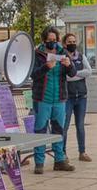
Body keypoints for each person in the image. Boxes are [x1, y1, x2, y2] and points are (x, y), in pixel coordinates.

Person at [30, 27, 76, 174]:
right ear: (44, 40)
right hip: (42, 99)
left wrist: (69, 65)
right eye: (50, 40)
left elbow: (73, 73)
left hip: (59, 99)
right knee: (40, 130)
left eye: (55, 40)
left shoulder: (63, 52)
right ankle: (39, 162)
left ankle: (59, 160)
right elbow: (33, 74)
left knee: (58, 130)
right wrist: (45, 67)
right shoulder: (37, 54)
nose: (53, 43)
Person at [61, 32, 93, 162]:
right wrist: (78, 75)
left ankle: (82, 152)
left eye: (74, 41)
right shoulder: (62, 58)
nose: (72, 44)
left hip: (81, 96)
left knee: (80, 125)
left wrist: (74, 74)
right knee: (65, 126)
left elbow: (89, 71)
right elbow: (65, 77)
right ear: (64, 44)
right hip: (67, 97)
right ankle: (62, 153)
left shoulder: (81, 56)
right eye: (69, 42)